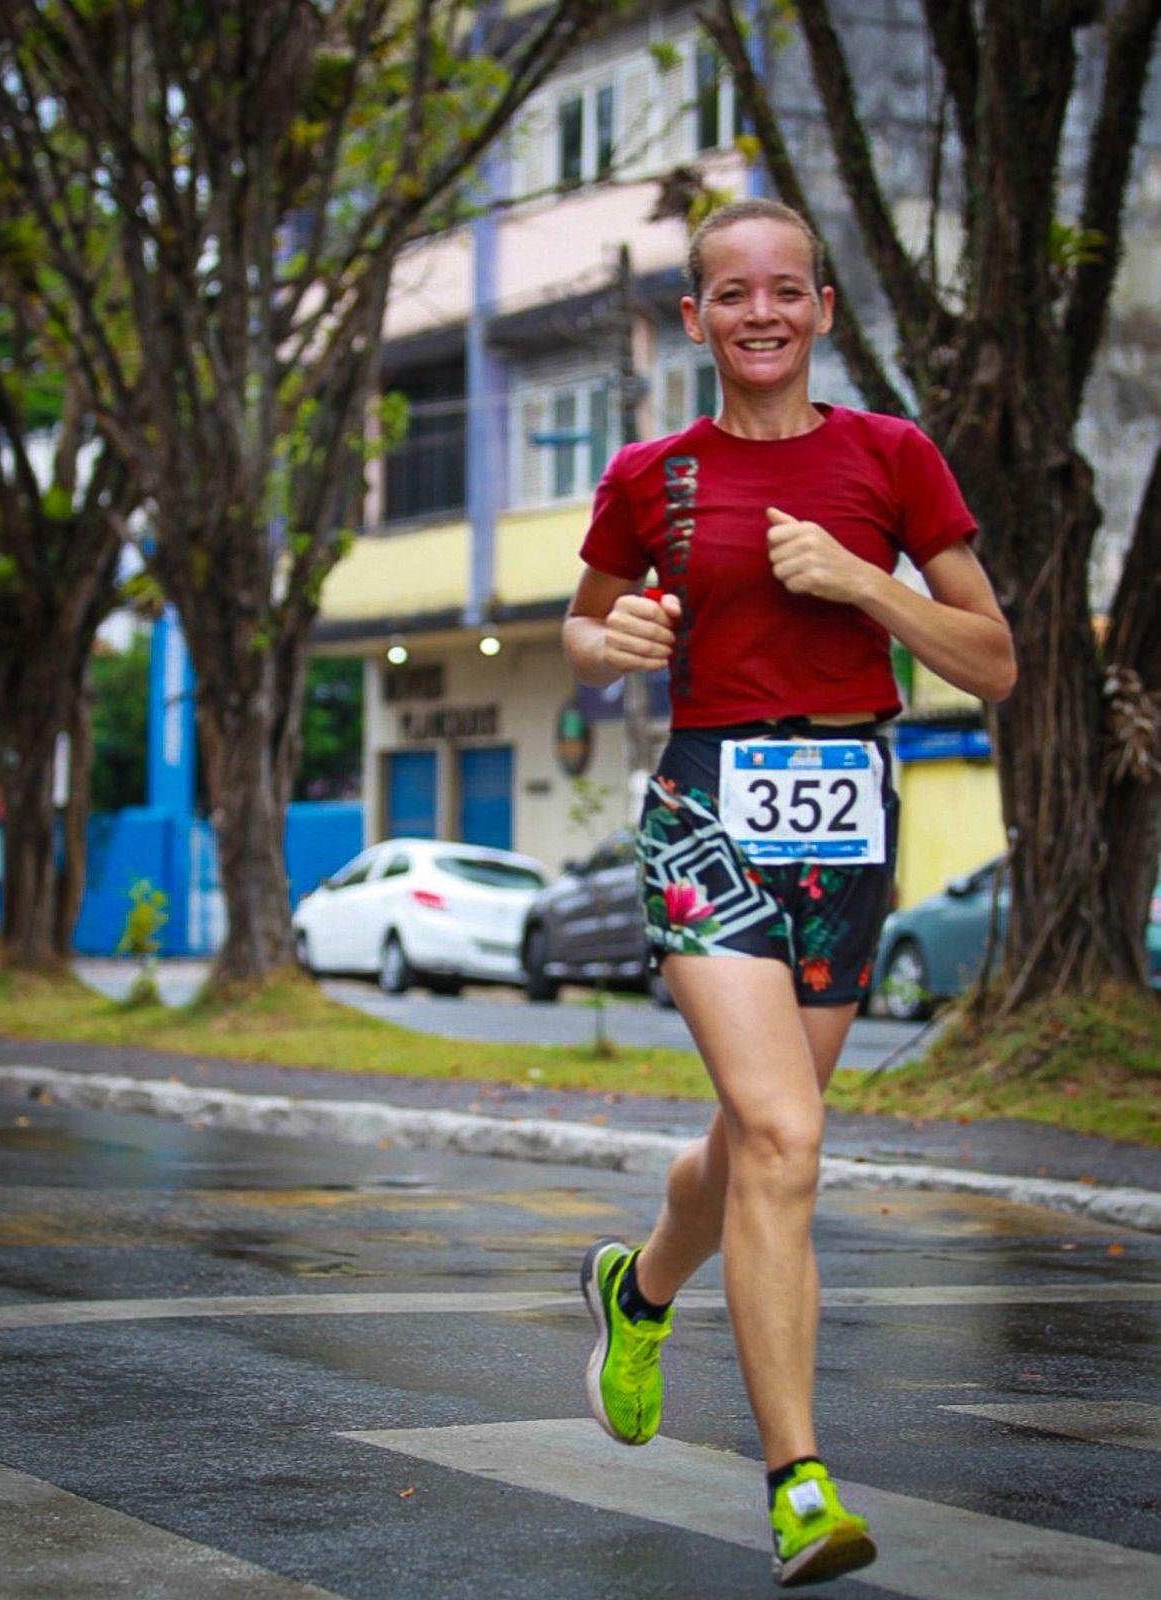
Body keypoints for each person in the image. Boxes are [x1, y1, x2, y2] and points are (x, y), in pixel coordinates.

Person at [564, 198, 1015, 1589]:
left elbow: (992, 659)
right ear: (694, 319)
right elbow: (580, 634)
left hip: (848, 814)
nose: (760, 312)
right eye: (729, 293)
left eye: (786, 290)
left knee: (763, 1141)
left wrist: (866, 589)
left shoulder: (893, 458)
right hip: (703, 811)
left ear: (821, 308)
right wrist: (614, 636)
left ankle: (638, 1293)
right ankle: (799, 1483)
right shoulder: (652, 473)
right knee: (784, 1130)